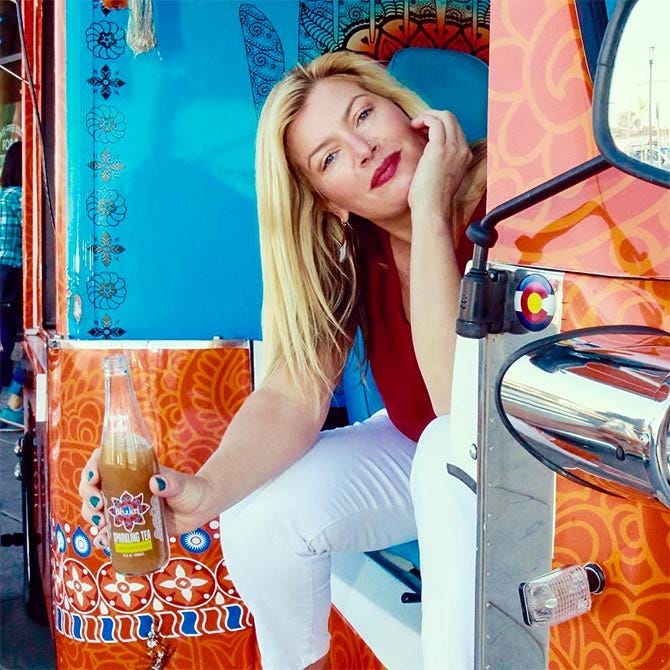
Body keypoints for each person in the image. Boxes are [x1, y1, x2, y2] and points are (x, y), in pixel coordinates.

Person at [79, 52, 487, 670]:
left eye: (364, 115)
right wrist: (204, 493)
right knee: (259, 514)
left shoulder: (509, 198)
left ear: (407, 113)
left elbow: (462, 414)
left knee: (440, 451)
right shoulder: (354, 250)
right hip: (421, 445)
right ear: (328, 201)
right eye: (329, 158)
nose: (363, 149)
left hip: (513, 455)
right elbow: (291, 395)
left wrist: (431, 212)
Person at [0, 141, 22, 390]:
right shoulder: (20, 196)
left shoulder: (2, 195)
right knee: (7, 320)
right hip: (10, 267)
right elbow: (35, 232)